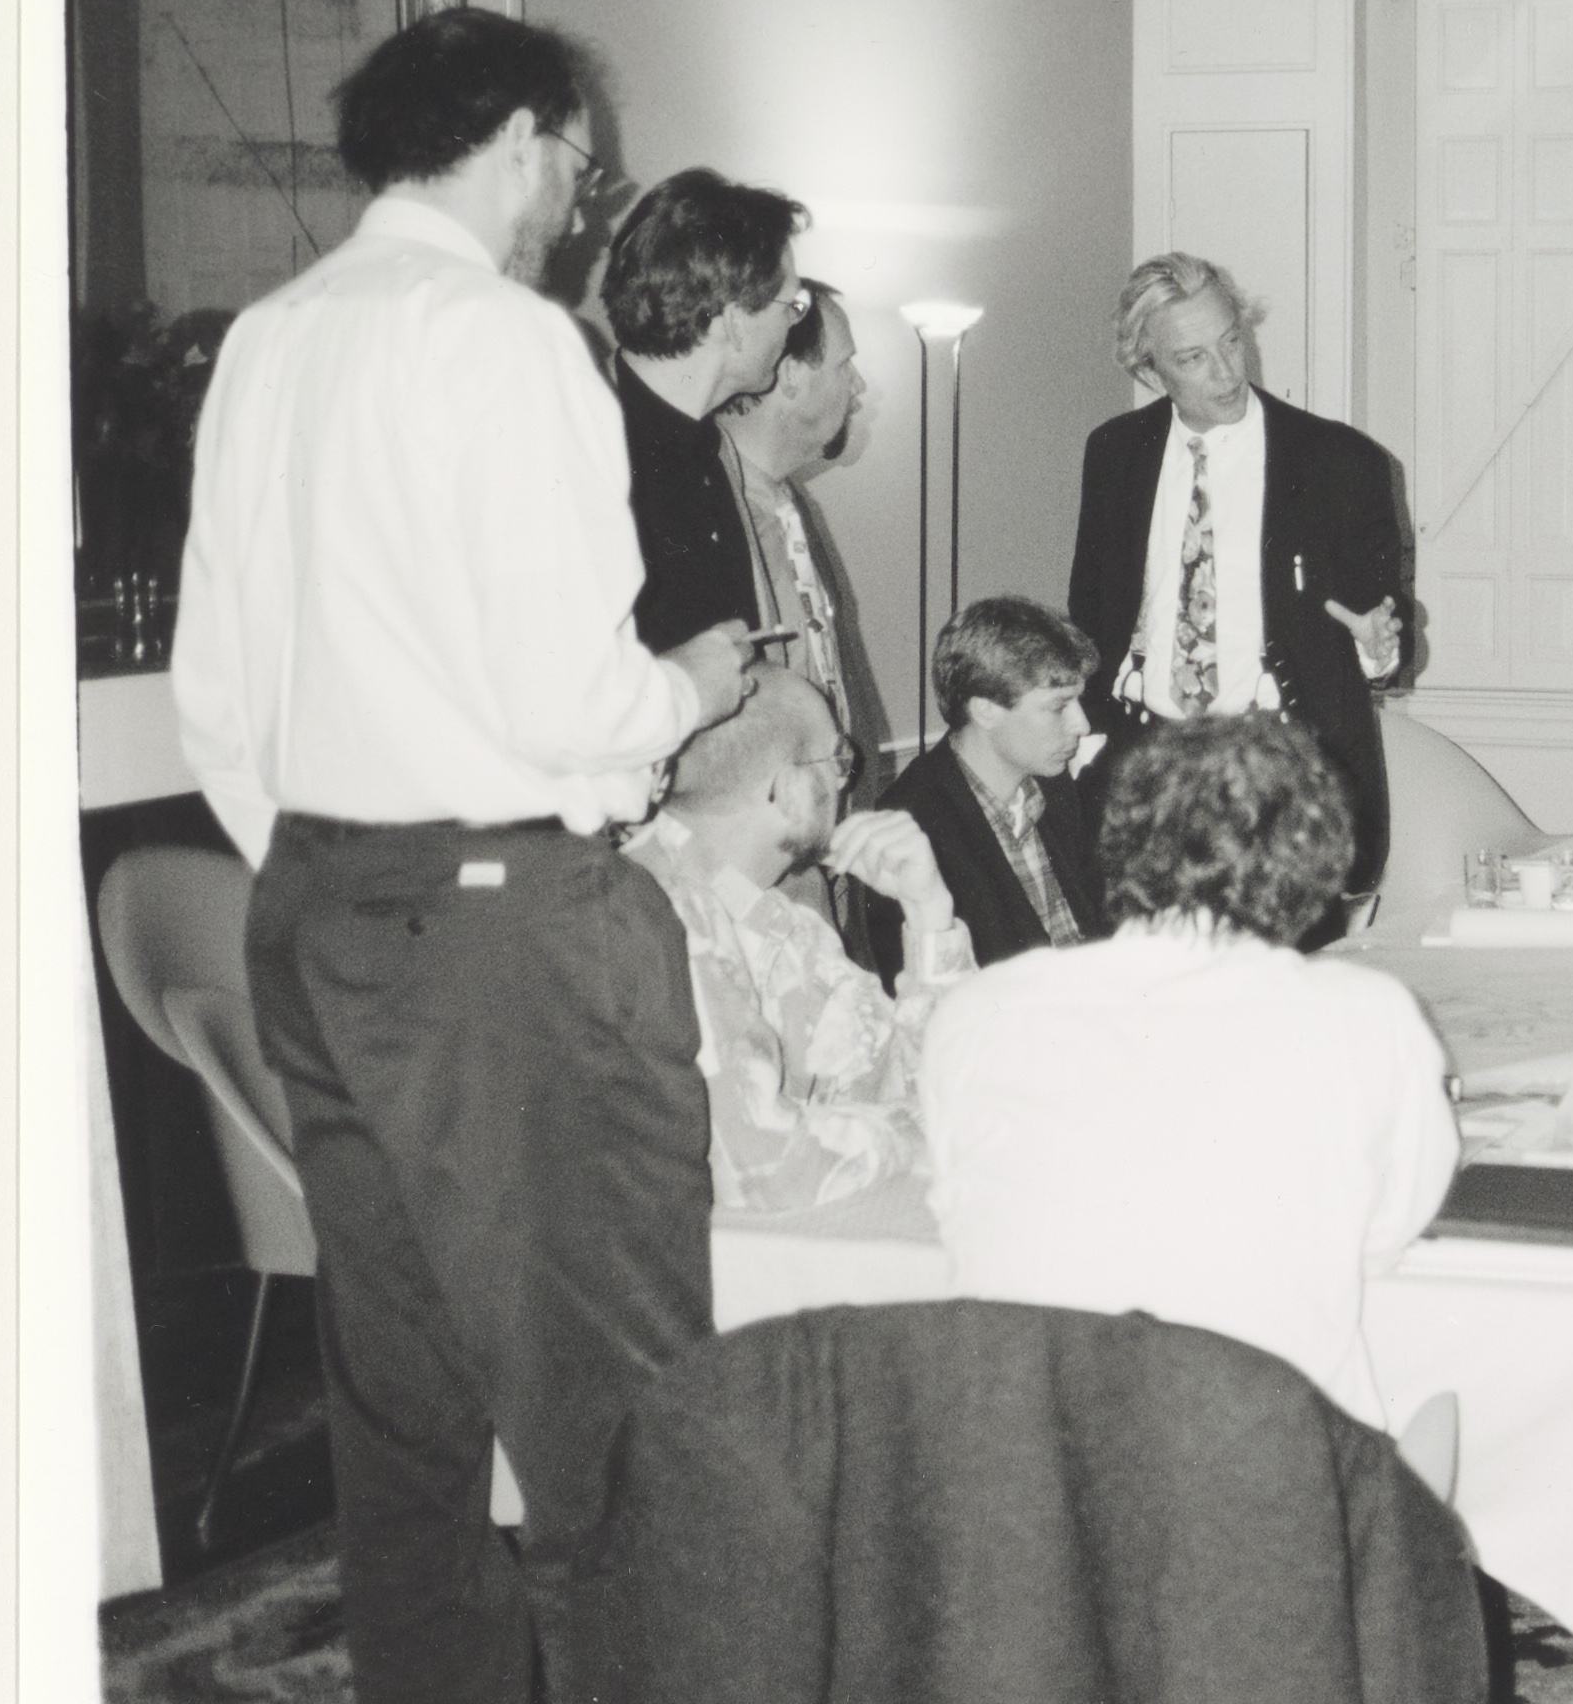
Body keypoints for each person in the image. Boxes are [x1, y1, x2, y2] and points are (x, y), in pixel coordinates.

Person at [171, 6, 752, 1704]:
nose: (577, 204)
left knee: (403, 1425)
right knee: (614, 1425)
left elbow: (218, 695)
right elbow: (570, 696)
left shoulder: (270, 339)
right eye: (577, 167)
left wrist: (341, 864)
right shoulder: (503, 341)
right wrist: (693, 691)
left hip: (316, 911)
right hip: (501, 930)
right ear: (515, 139)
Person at [920, 714, 1459, 1428]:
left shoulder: (976, 1009)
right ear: (1317, 867)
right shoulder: (1368, 1015)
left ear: (1122, 843)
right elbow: (1387, 1236)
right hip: (1259, 1462)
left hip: (1017, 1460)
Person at [1067, 253, 1408, 905]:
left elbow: (1384, 633)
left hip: (1280, 780)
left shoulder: (1340, 462)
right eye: (1193, 357)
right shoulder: (1113, 454)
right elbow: (1090, 614)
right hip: (1144, 773)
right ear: (1149, 369)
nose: (1226, 372)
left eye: (1230, 341)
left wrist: (1376, 646)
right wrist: (1091, 748)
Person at [624, 669, 975, 1213]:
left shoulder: (781, 921)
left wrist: (930, 915)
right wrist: (939, 1121)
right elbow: (773, 1174)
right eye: (838, 759)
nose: (843, 783)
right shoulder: (655, 914)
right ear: (790, 791)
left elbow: (918, 1076)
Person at [603, 166, 812, 652]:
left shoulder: (711, 446)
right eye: (791, 306)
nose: (792, 325)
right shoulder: (591, 445)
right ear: (735, 322)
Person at [870, 595, 1110, 983]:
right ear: (985, 710)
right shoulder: (911, 829)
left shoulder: (1054, 786)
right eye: (1058, 706)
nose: (1081, 725)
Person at [717, 276, 870, 735]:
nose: (858, 384)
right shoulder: (713, 516)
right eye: (844, 364)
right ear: (790, 376)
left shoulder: (792, 507)